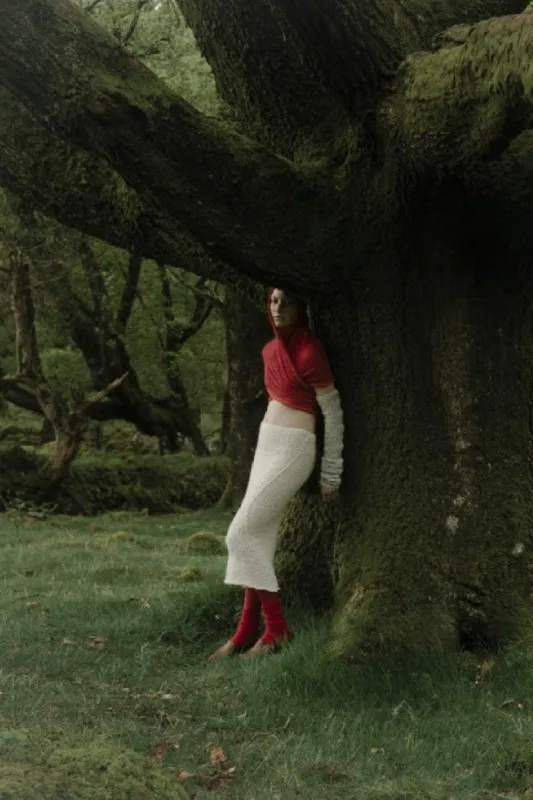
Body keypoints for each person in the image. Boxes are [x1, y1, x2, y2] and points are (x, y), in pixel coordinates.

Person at [209, 288, 344, 660]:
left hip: (295, 447)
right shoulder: (270, 351)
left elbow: (332, 412)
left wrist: (331, 471)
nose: (278, 307)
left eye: (287, 301)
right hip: (267, 444)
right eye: (273, 301)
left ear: (301, 307)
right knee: (258, 537)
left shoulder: (309, 349)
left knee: (240, 533)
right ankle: (245, 633)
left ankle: (277, 630)